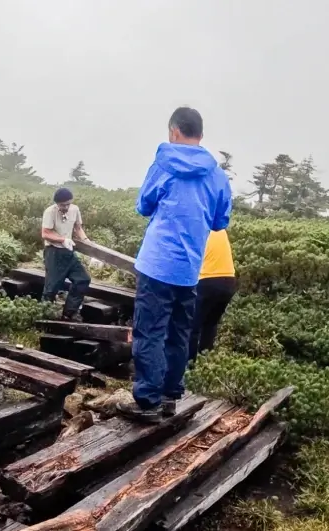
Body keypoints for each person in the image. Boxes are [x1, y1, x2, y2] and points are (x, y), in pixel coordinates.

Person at [117, 107, 232, 424]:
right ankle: (169, 397)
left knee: (150, 332)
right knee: (179, 334)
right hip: (190, 270)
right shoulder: (217, 176)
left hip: (156, 265)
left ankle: (148, 401)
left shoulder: (162, 165)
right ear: (201, 136)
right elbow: (221, 221)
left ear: (173, 132)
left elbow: (143, 205)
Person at [41, 187, 91, 321]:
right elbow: (45, 233)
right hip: (54, 252)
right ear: (57, 203)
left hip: (68, 252)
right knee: (52, 287)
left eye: (68, 203)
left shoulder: (74, 209)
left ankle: (69, 313)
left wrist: (87, 242)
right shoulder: (50, 212)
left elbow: (78, 228)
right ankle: (44, 316)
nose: (66, 207)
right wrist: (63, 239)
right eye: (63, 205)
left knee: (82, 279)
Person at [190, 229, 237, 361]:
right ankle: (205, 363)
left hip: (207, 281)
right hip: (229, 281)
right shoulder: (220, 228)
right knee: (210, 324)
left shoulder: (199, 226)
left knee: (192, 327)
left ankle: (189, 366)